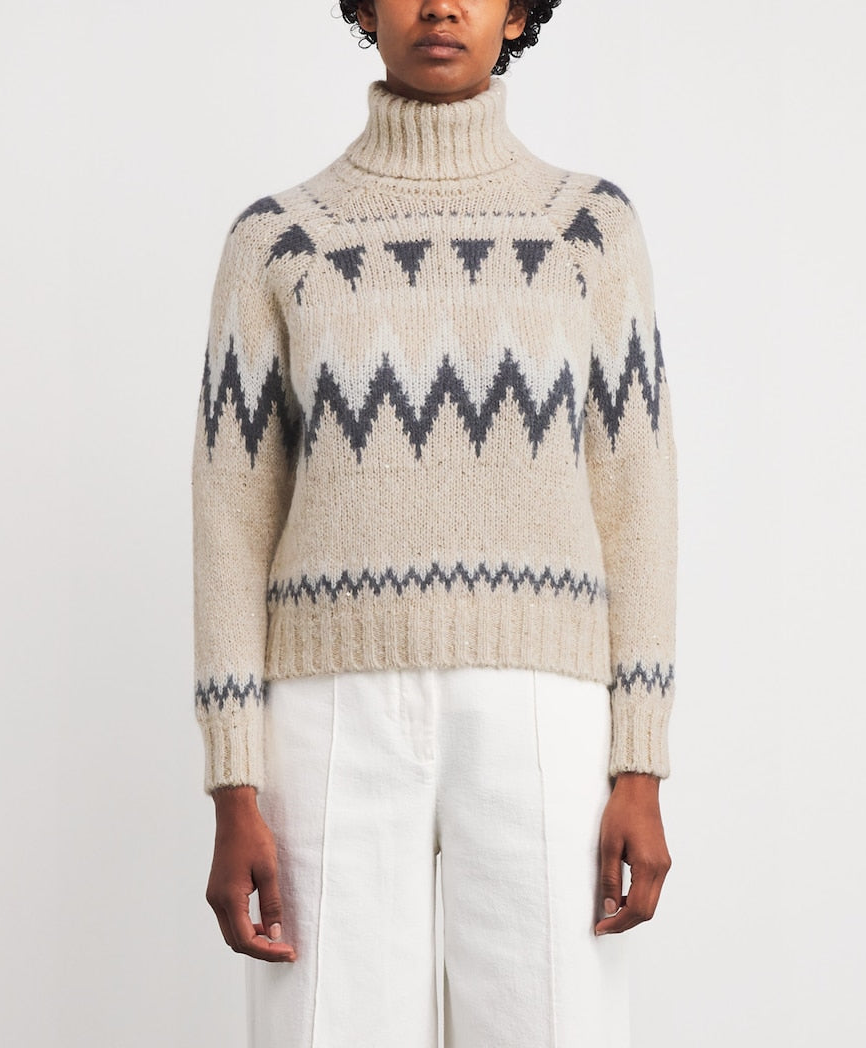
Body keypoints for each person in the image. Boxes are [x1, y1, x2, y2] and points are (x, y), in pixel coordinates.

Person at [191, 2, 677, 1045]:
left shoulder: (589, 230)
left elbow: (636, 497)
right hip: (327, 709)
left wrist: (640, 764)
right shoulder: (278, 242)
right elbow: (231, 515)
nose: (442, 6)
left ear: (519, 12)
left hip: (545, 703)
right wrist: (233, 781)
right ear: (364, 8)